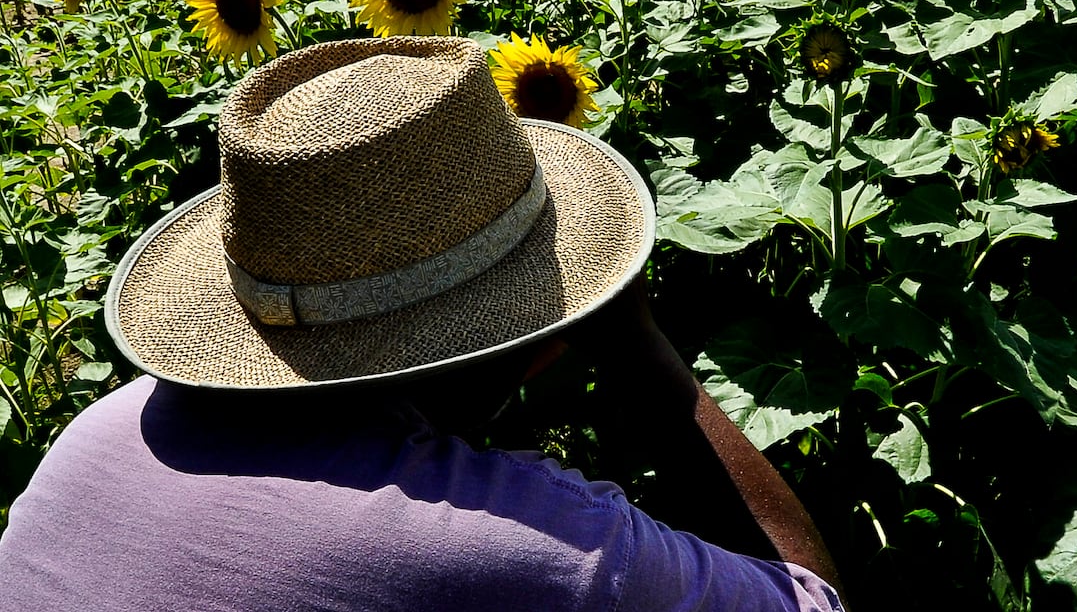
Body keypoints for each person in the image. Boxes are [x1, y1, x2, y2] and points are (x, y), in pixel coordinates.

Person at [0, 36, 845, 611]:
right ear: (536, 336)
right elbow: (807, 601)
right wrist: (635, 341)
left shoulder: (104, 436)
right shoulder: (514, 546)